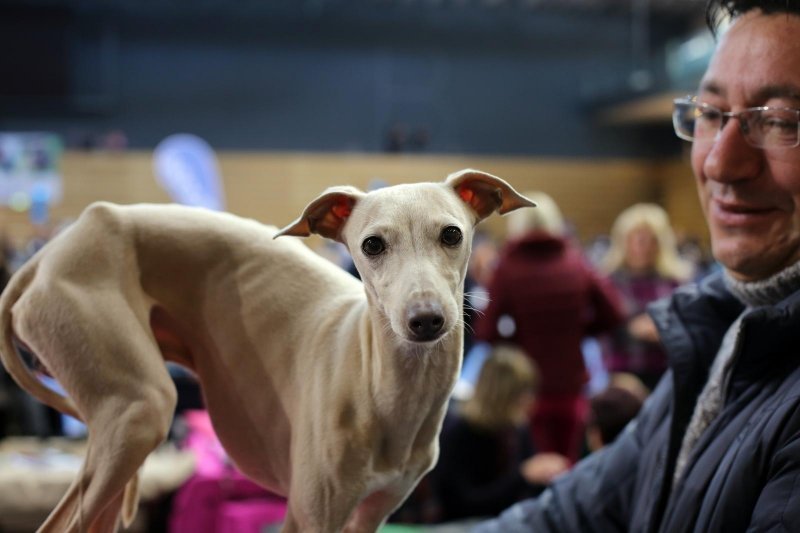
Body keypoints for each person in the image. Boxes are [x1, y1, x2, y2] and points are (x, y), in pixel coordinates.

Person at [474, 1, 800, 530]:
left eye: (780, 122)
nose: (719, 160)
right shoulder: (720, 333)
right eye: (712, 115)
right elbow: (570, 513)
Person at [474, 192, 624, 463]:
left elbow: (486, 331)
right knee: (570, 464)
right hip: (572, 383)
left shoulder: (508, 268)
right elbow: (614, 313)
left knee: (535, 467)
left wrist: (518, 339)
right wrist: (579, 331)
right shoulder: (576, 262)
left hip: (527, 388)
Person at [433, 344, 569, 522]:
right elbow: (460, 504)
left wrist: (544, 473)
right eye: (522, 393)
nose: (530, 400)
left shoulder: (517, 428)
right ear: (501, 395)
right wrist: (523, 476)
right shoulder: (461, 433)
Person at [600, 203, 693, 390]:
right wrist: (630, 330)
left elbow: (693, 327)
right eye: (637, 240)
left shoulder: (677, 281)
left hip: (667, 374)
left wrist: (664, 330)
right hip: (622, 375)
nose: (644, 247)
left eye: (652, 240)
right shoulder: (608, 282)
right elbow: (599, 328)